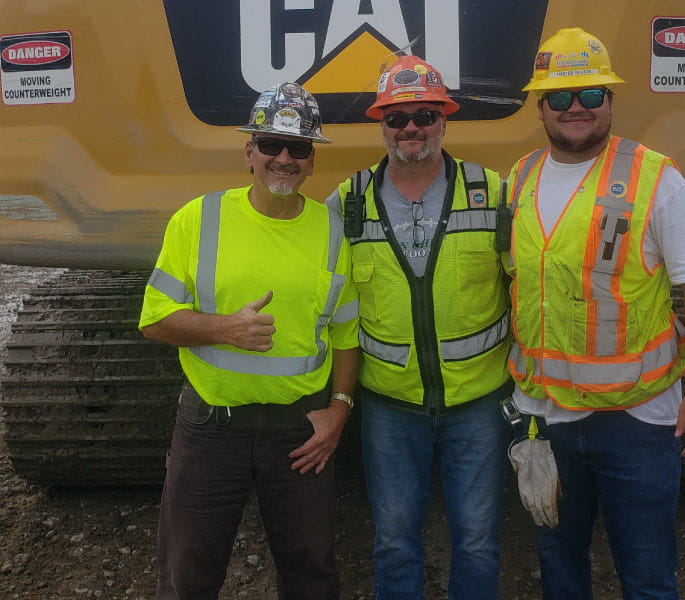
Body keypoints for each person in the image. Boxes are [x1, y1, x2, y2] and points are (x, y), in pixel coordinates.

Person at [504, 27, 685, 599]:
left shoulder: (657, 179)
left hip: (638, 420)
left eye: (591, 95)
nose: (575, 109)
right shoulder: (519, 179)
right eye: (559, 97)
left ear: (610, 100)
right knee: (560, 568)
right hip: (547, 416)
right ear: (540, 106)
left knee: (648, 576)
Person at [139, 82, 360, 600]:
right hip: (211, 427)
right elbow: (154, 321)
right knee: (188, 573)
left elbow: (347, 333)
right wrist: (224, 329)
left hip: (298, 431)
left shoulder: (332, 233)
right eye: (270, 144)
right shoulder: (199, 218)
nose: (283, 158)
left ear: (312, 162)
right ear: (249, 153)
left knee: (311, 571)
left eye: (298, 148)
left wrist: (340, 410)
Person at [326, 55, 511, 599]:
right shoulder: (347, 201)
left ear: (445, 120)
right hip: (389, 403)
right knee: (393, 540)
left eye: (425, 115)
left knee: (477, 539)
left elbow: (527, 289)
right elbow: (324, 299)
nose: (411, 128)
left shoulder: (492, 191)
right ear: (380, 124)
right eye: (397, 117)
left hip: (478, 401)